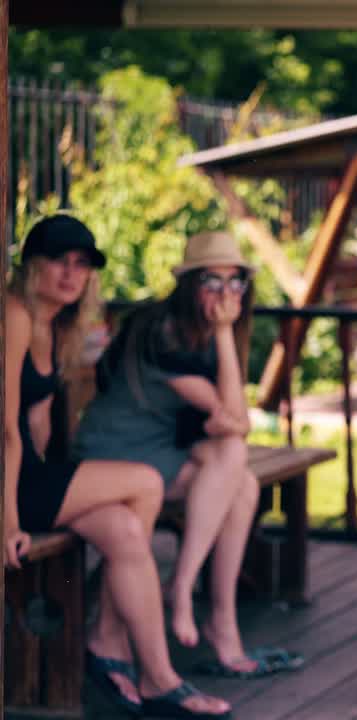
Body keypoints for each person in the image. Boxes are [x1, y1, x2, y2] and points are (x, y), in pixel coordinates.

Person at [4, 214, 231, 718]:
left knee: (127, 530)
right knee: (146, 482)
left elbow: (37, 424)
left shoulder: (53, 325)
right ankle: (115, 643)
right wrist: (10, 521)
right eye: (59, 261)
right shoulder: (14, 314)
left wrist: (64, 483)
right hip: (9, 487)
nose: (71, 273)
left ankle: (152, 675)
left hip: (28, 476)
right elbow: (6, 430)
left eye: (81, 264)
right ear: (31, 265)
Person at [75, 230, 296, 680]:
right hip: (112, 456)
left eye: (235, 282)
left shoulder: (200, 331)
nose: (225, 294)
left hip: (156, 454)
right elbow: (236, 420)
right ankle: (183, 587)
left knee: (242, 483)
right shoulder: (163, 331)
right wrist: (225, 331)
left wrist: (224, 337)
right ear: (190, 284)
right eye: (212, 281)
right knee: (233, 455)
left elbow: (228, 420)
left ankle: (220, 621)